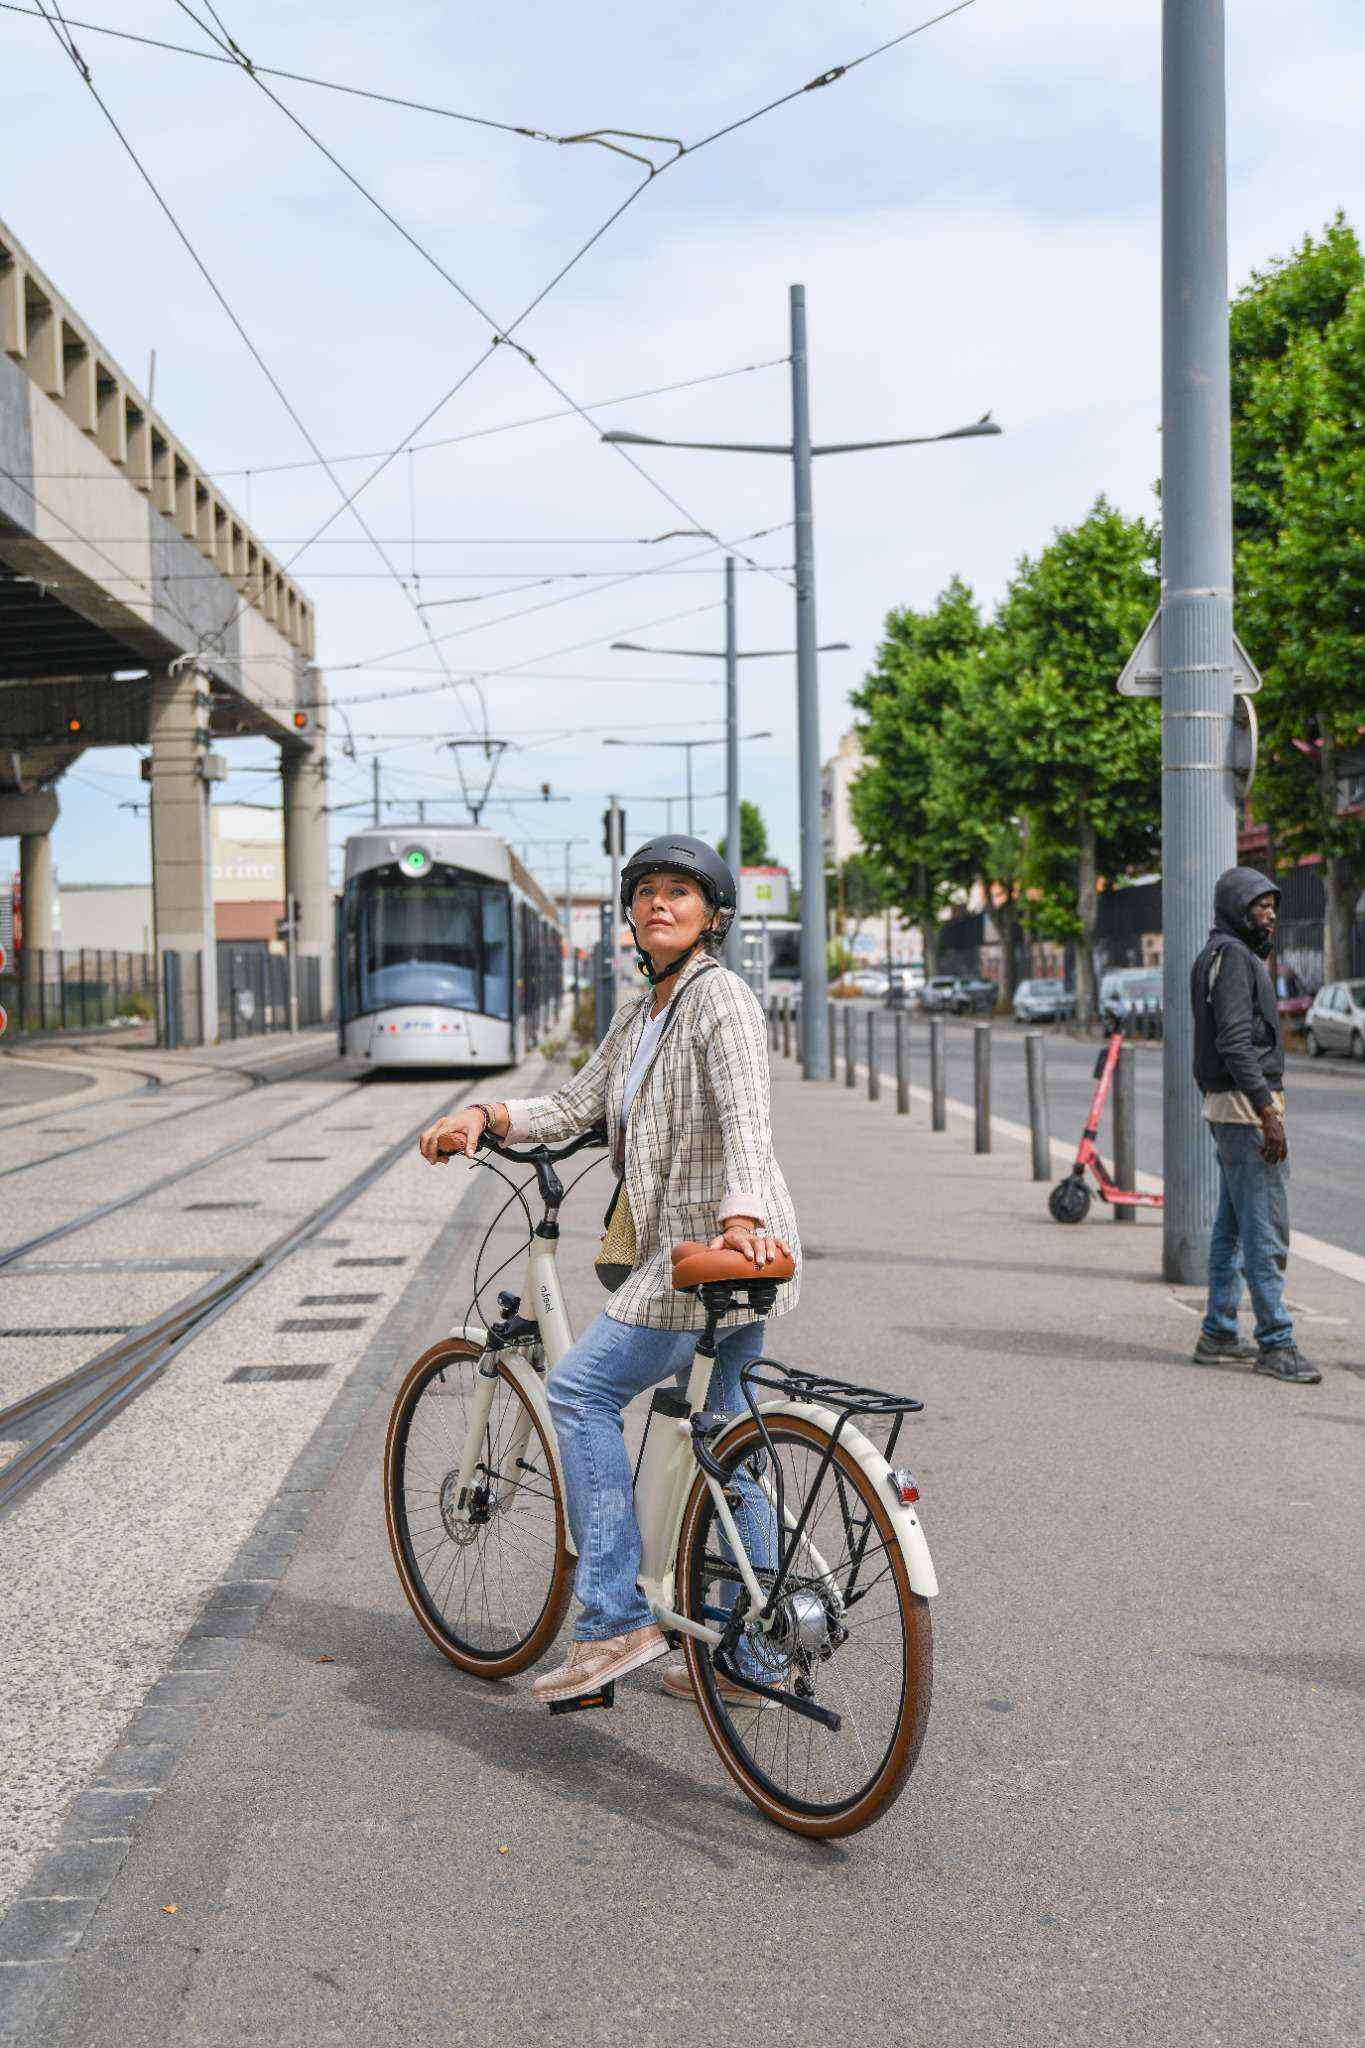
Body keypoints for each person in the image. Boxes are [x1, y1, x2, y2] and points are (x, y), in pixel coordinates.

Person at [418, 835, 800, 1703]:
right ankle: (751, 1655)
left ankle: (610, 1621)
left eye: (680, 893)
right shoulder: (643, 1012)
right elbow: (574, 1105)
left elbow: (748, 1118)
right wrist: (487, 1112)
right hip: (723, 1263)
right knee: (728, 1443)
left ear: (711, 916)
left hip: (708, 1254)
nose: (660, 904)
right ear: (628, 911)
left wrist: (739, 1212)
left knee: (580, 1393)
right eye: (647, 892)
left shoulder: (719, 1001)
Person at [1189, 866, 1319, 1384]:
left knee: (1234, 1226)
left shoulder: (1218, 955)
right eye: (1259, 906)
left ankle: (1220, 1331)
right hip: (1246, 1109)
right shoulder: (1236, 958)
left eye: (1273, 905)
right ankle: (1276, 1341)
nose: (1270, 914)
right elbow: (1236, 1041)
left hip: (1228, 1106)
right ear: (1234, 909)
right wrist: (1269, 1110)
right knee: (1266, 1228)